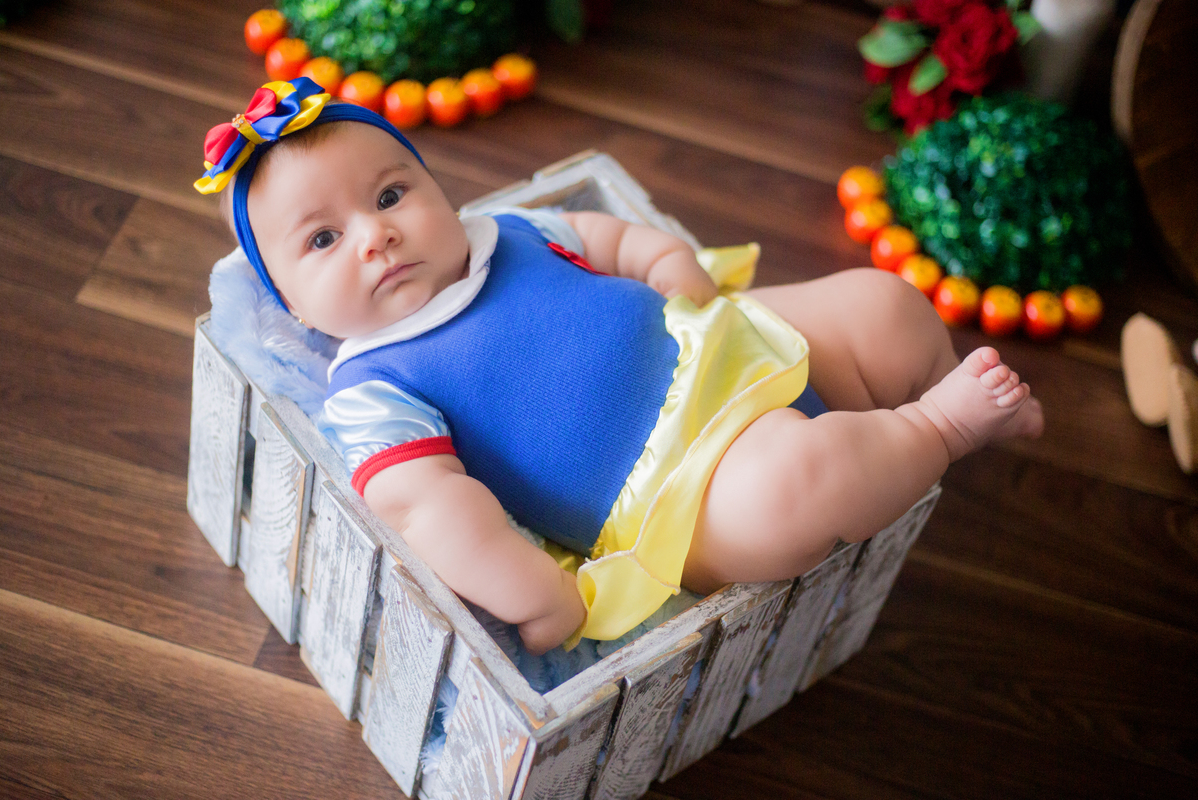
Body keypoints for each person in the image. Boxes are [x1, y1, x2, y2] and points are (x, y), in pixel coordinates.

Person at [197, 79, 1043, 654]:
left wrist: (670, 263)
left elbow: (612, 239)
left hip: (731, 344)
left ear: (435, 189)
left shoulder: (512, 236)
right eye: (323, 239)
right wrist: (532, 592)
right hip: (681, 491)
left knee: (878, 303)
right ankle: (939, 426)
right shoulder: (372, 386)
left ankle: (937, 380)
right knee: (798, 480)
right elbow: (428, 505)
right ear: (296, 310)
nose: (375, 234)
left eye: (390, 196)